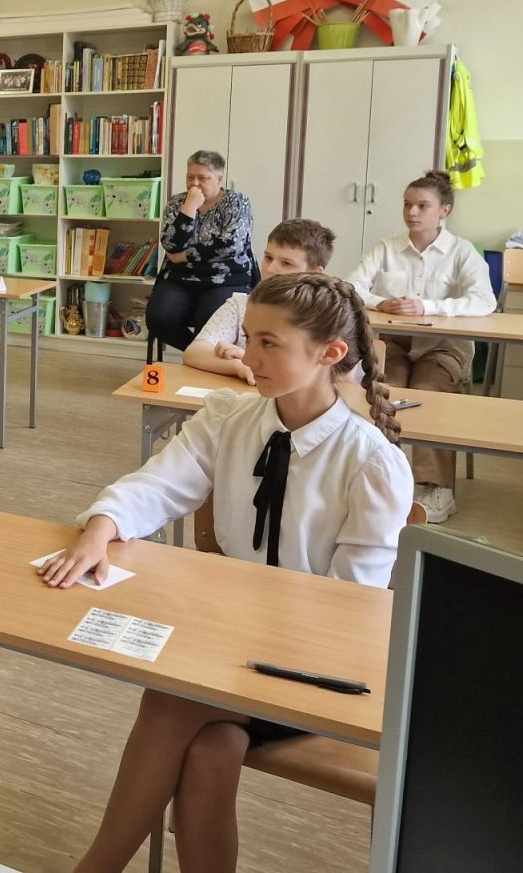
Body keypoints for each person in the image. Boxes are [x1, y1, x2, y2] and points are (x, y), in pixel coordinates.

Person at [40, 272, 412, 873]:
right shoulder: (231, 417)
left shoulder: (371, 463)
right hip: (233, 653)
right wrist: (100, 530)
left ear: (329, 354)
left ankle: (96, 868)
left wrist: (241, 632)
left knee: (171, 698)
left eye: (269, 343)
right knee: (212, 752)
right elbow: (160, 483)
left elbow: (350, 611)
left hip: (317, 666)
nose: (247, 355)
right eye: (248, 337)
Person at [346, 169, 495, 523]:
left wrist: (427, 306)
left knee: (429, 391)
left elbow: (484, 301)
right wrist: (381, 302)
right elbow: (351, 287)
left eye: (422, 206)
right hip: (396, 343)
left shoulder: (461, 252)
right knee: (384, 391)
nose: (412, 212)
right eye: (407, 205)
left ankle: (436, 486)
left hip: (444, 345)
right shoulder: (386, 247)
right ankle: (381, 475)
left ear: (444, 210)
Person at [183, 218, 337, 384]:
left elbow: (324, 373)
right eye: (268, 258)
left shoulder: (324, 316)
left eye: (286, 263)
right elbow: (194, 353)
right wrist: (238, 366)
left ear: (314, 274)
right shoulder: (240, 306)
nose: (270, 269)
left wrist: (247, 358)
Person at [146, 151, 257, 351]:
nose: (194, 184)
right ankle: (197, 354)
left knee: (211, 321)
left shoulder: (237, 202)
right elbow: (170, 244)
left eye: (203, 178)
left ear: (219, 179)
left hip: (226, 279)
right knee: (158, 318)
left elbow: (230, 245)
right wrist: (189, 207)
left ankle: (203, 358)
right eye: (190, 177)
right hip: (181, 278)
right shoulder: (177, 202)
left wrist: (185, 255)